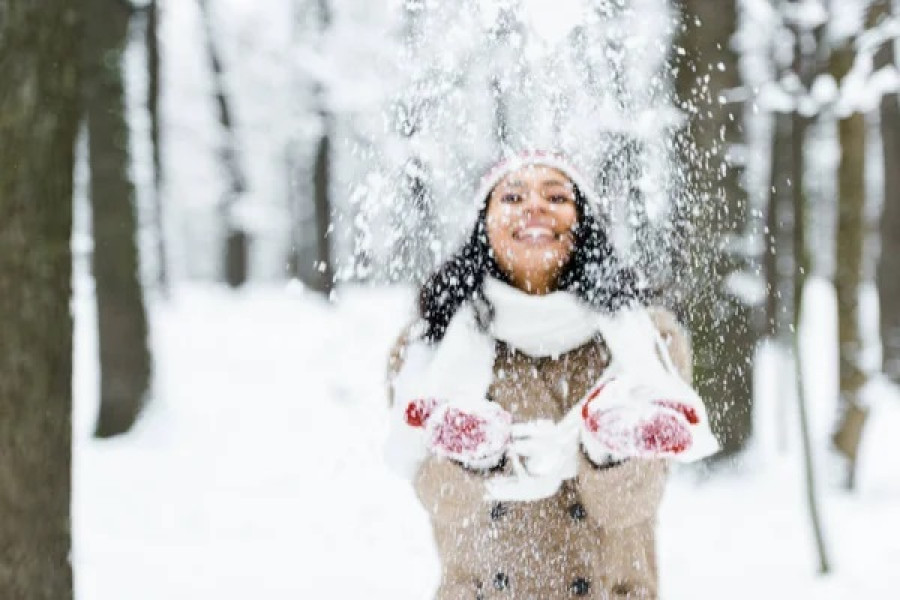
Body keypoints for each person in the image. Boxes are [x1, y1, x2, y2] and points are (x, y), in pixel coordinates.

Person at [386, 151, 700, 599]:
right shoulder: (429, 346)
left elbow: (630, 505)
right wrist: (471, 456)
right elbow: (442, 501)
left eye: (556, 196)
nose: (535, 208)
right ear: (484, 224)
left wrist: (609, 446)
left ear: (583, 222)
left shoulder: (648, 340)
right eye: (512, 196)